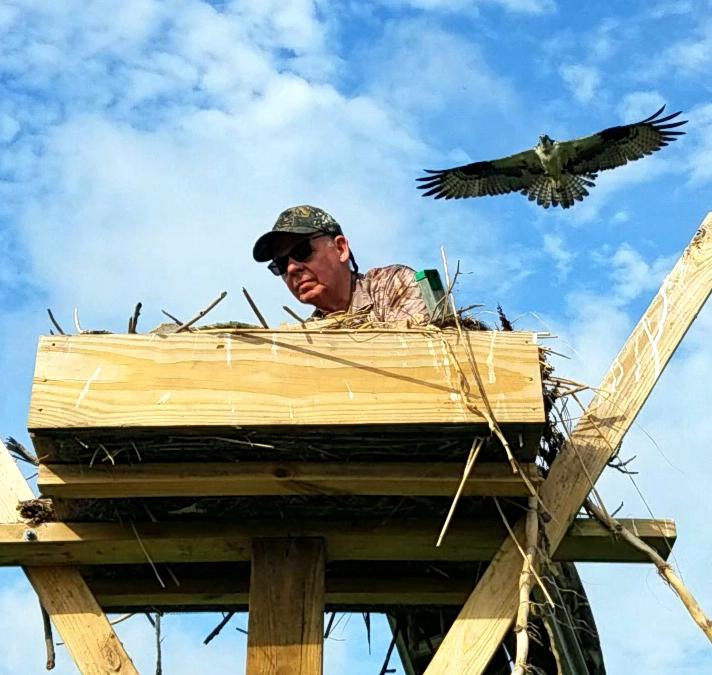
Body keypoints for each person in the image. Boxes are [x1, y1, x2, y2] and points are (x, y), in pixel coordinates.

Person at [252, 205, 430, 325]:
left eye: (301, 252)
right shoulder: (309, 338)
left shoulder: (392, 286)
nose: (291, 268)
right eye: (280, 264)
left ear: (341, 248)